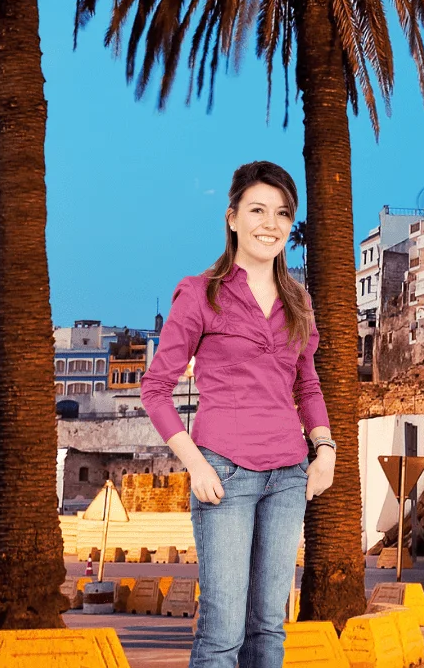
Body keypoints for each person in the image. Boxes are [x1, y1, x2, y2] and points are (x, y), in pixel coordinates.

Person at [142, 161, 336, 668]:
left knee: (269, 628)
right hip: (223, 474)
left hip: (289, 477)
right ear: (232, 218)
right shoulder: (200, 292)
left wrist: (326, 451)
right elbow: (156, 388)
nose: (270, 223)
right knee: (223, 631)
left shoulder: (300, 302)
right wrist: (196, 464)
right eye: (257, 210)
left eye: (281, 213)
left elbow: (307, 383)